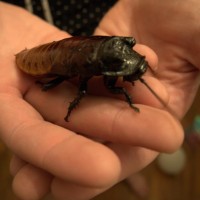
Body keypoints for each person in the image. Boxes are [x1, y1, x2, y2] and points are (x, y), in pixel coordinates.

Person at [0, 0, 199, 200]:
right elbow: (101, 87)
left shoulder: (111, 49)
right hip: (42, 55)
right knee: (83, 109)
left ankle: (120, 163)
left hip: (80, 25)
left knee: (119, 142)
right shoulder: (98, 69)